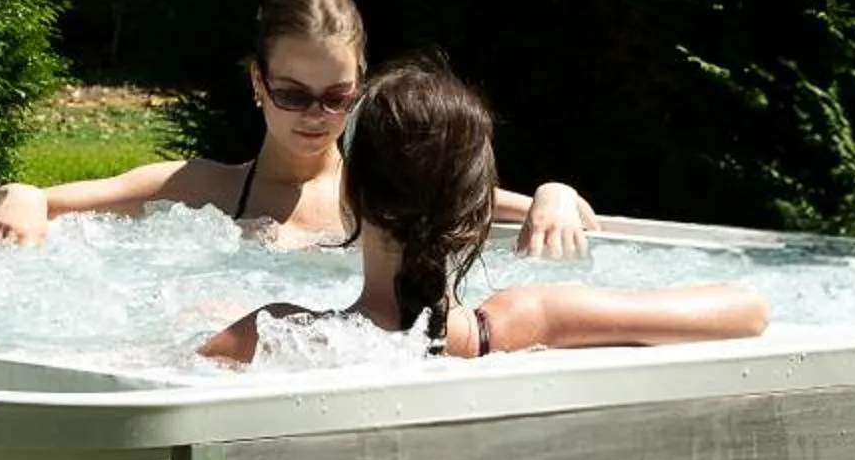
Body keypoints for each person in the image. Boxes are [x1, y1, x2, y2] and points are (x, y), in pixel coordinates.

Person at [0, 0, 599, 255]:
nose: (315, 115)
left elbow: (506, 200)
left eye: (337, 97)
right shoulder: (204, 187)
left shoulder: (383, 187)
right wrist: (24, 194)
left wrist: (554, 192)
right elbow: (35, 197)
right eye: (293, 94)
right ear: (258, 83)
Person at [196, 60, 766, 366]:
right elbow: (747, 311)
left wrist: (217, 323)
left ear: (349, 198)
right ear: (473, 216)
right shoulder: (528, 319)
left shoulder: (276, 336)